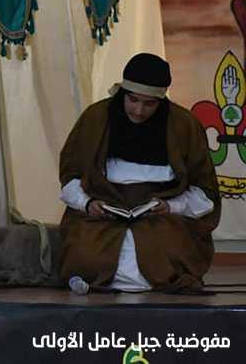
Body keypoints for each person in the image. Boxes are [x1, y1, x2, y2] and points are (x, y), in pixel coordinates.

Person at [59, 53, 220, 293]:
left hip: (161, 218)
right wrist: (88, 204)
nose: (138, 111)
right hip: (102, 215)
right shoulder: (95, 118)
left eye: (149, 104)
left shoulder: (183, 124)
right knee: (86, 254)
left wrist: (171, 206)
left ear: (161, 100)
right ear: (123, 92)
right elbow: (70, 176)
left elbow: (205, 191)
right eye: (133, 100)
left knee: (167, 252)